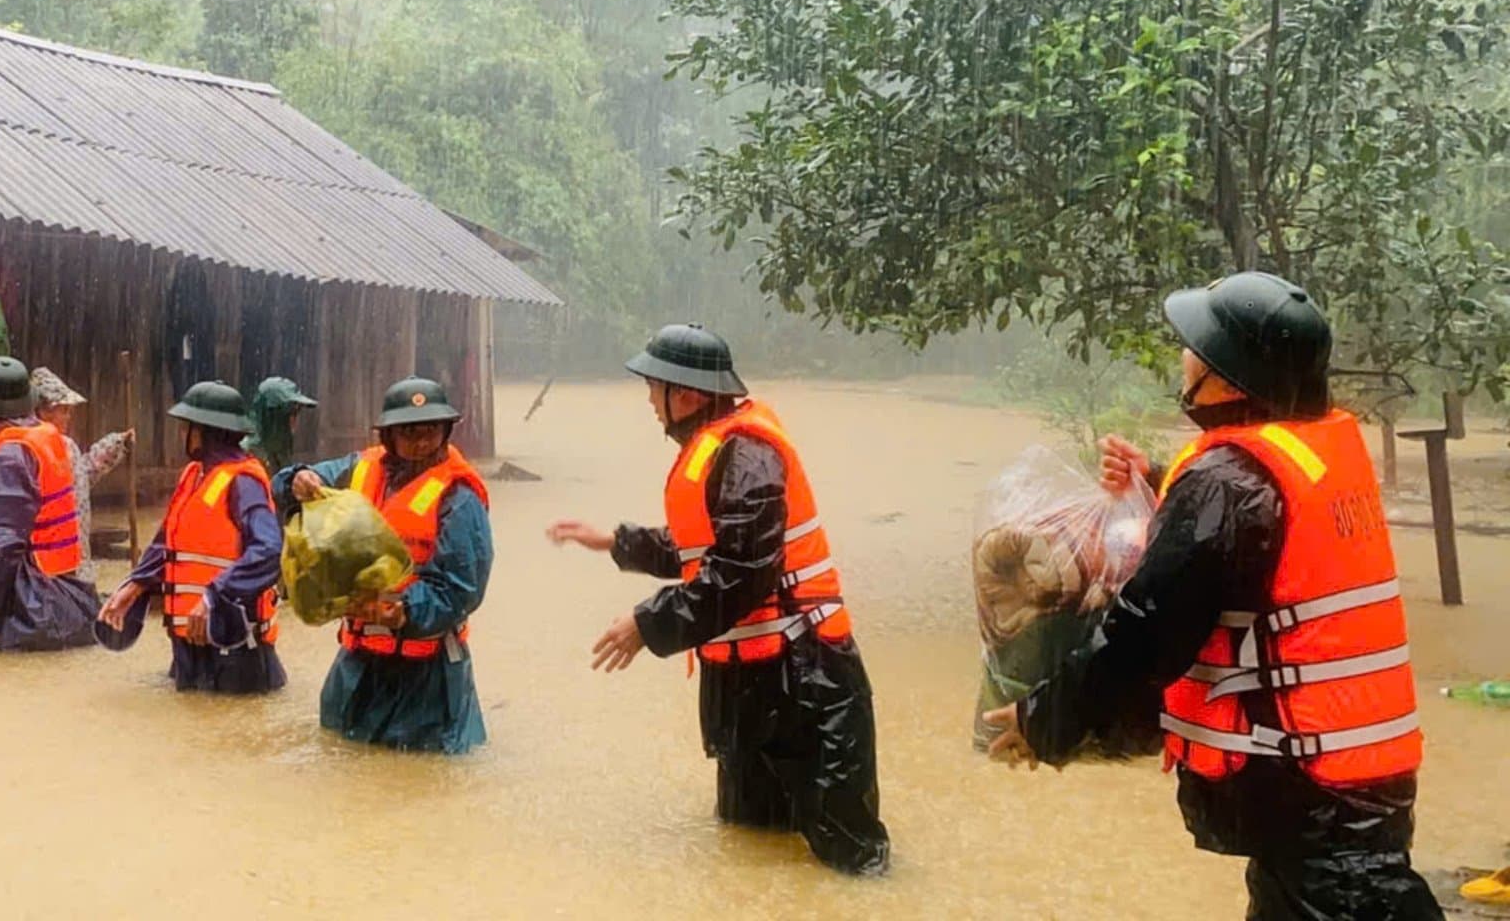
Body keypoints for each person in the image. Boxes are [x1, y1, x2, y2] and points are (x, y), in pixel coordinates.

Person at [984, 272, 1438, 920]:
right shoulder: (1315, 450)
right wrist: (1158, 482)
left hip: (1307, 785)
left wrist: (1047, 720)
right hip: (1355, 774)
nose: (1183, 355)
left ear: (1228, 376)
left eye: (1194, 345)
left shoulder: (1227, 484)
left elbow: (1145, 633)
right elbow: (1255, 539)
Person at [547, 324, 892, 876]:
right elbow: (700, 550)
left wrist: (647, 624)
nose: (650, 404)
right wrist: (616, 541)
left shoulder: (748, 456)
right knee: (750, 847)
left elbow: (739, 574)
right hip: (749, 686)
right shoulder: (717, 452)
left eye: (654, 389)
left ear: (685, 394)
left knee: (847, 858)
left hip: (806, 681)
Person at [276, 377, 493, 754]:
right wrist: (296, 479)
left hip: (427, 676)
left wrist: (404, 612)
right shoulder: (359, 468)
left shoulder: (458, 496)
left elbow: (463, 587)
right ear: (388, 435)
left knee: (425, 778)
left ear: (446, 431)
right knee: (342, 759)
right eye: (409, 432)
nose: (421, 442)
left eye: (430, 431)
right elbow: (295, 484)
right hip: (359, 665)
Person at [97, 382, 286, 694]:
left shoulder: (243, 481)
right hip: (190, 641)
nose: (181, 434)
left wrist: (215, 595)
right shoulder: (194, 475)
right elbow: (166, 543)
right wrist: (136, 585)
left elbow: (268, 551)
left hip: (235, 648)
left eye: (187, 427)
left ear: (205, 432)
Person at [0, 356, 100, 652]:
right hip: (63, 581)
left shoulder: (11, 452)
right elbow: (32, 509)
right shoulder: (49, 437)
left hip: (31, 585)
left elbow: (7, 538)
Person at [30, 367, 134, 581]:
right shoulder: (31, 449)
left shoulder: (67, 446)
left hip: (75, 557)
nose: (69, 417)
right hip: (48, 563)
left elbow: (83, 477)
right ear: (44, 412)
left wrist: (116, 444)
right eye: (64, 410)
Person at [243, 376, 317, 473]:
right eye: (292, 412)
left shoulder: (279, 455)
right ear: (273, 415)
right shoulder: (244, 458)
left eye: (298, 411)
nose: (295, 420)